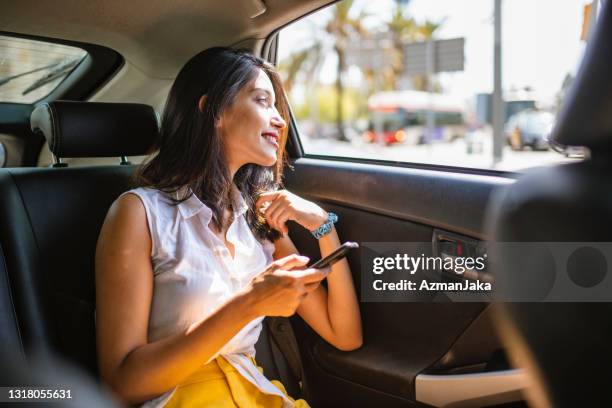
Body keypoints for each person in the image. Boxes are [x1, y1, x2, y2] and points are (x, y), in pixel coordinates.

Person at [95, 47, 362, 407]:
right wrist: (250, 303)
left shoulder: (257, 221)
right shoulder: (139, 213)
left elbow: (344, 335)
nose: (280, 120)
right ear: (214, 109)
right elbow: (121, 385)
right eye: (262, 101)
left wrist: (322, 226)